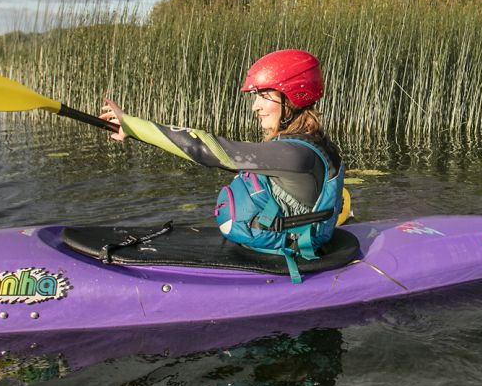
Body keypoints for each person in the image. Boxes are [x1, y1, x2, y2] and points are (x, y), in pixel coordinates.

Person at [98, 49, 344, 281]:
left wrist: (133, 125)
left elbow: (207, 149)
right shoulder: (307, 145)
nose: (255, 106)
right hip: (278, 245)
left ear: (291, 99)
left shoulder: (294, 154)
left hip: (287, 257)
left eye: (264, 96)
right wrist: (136, 133)